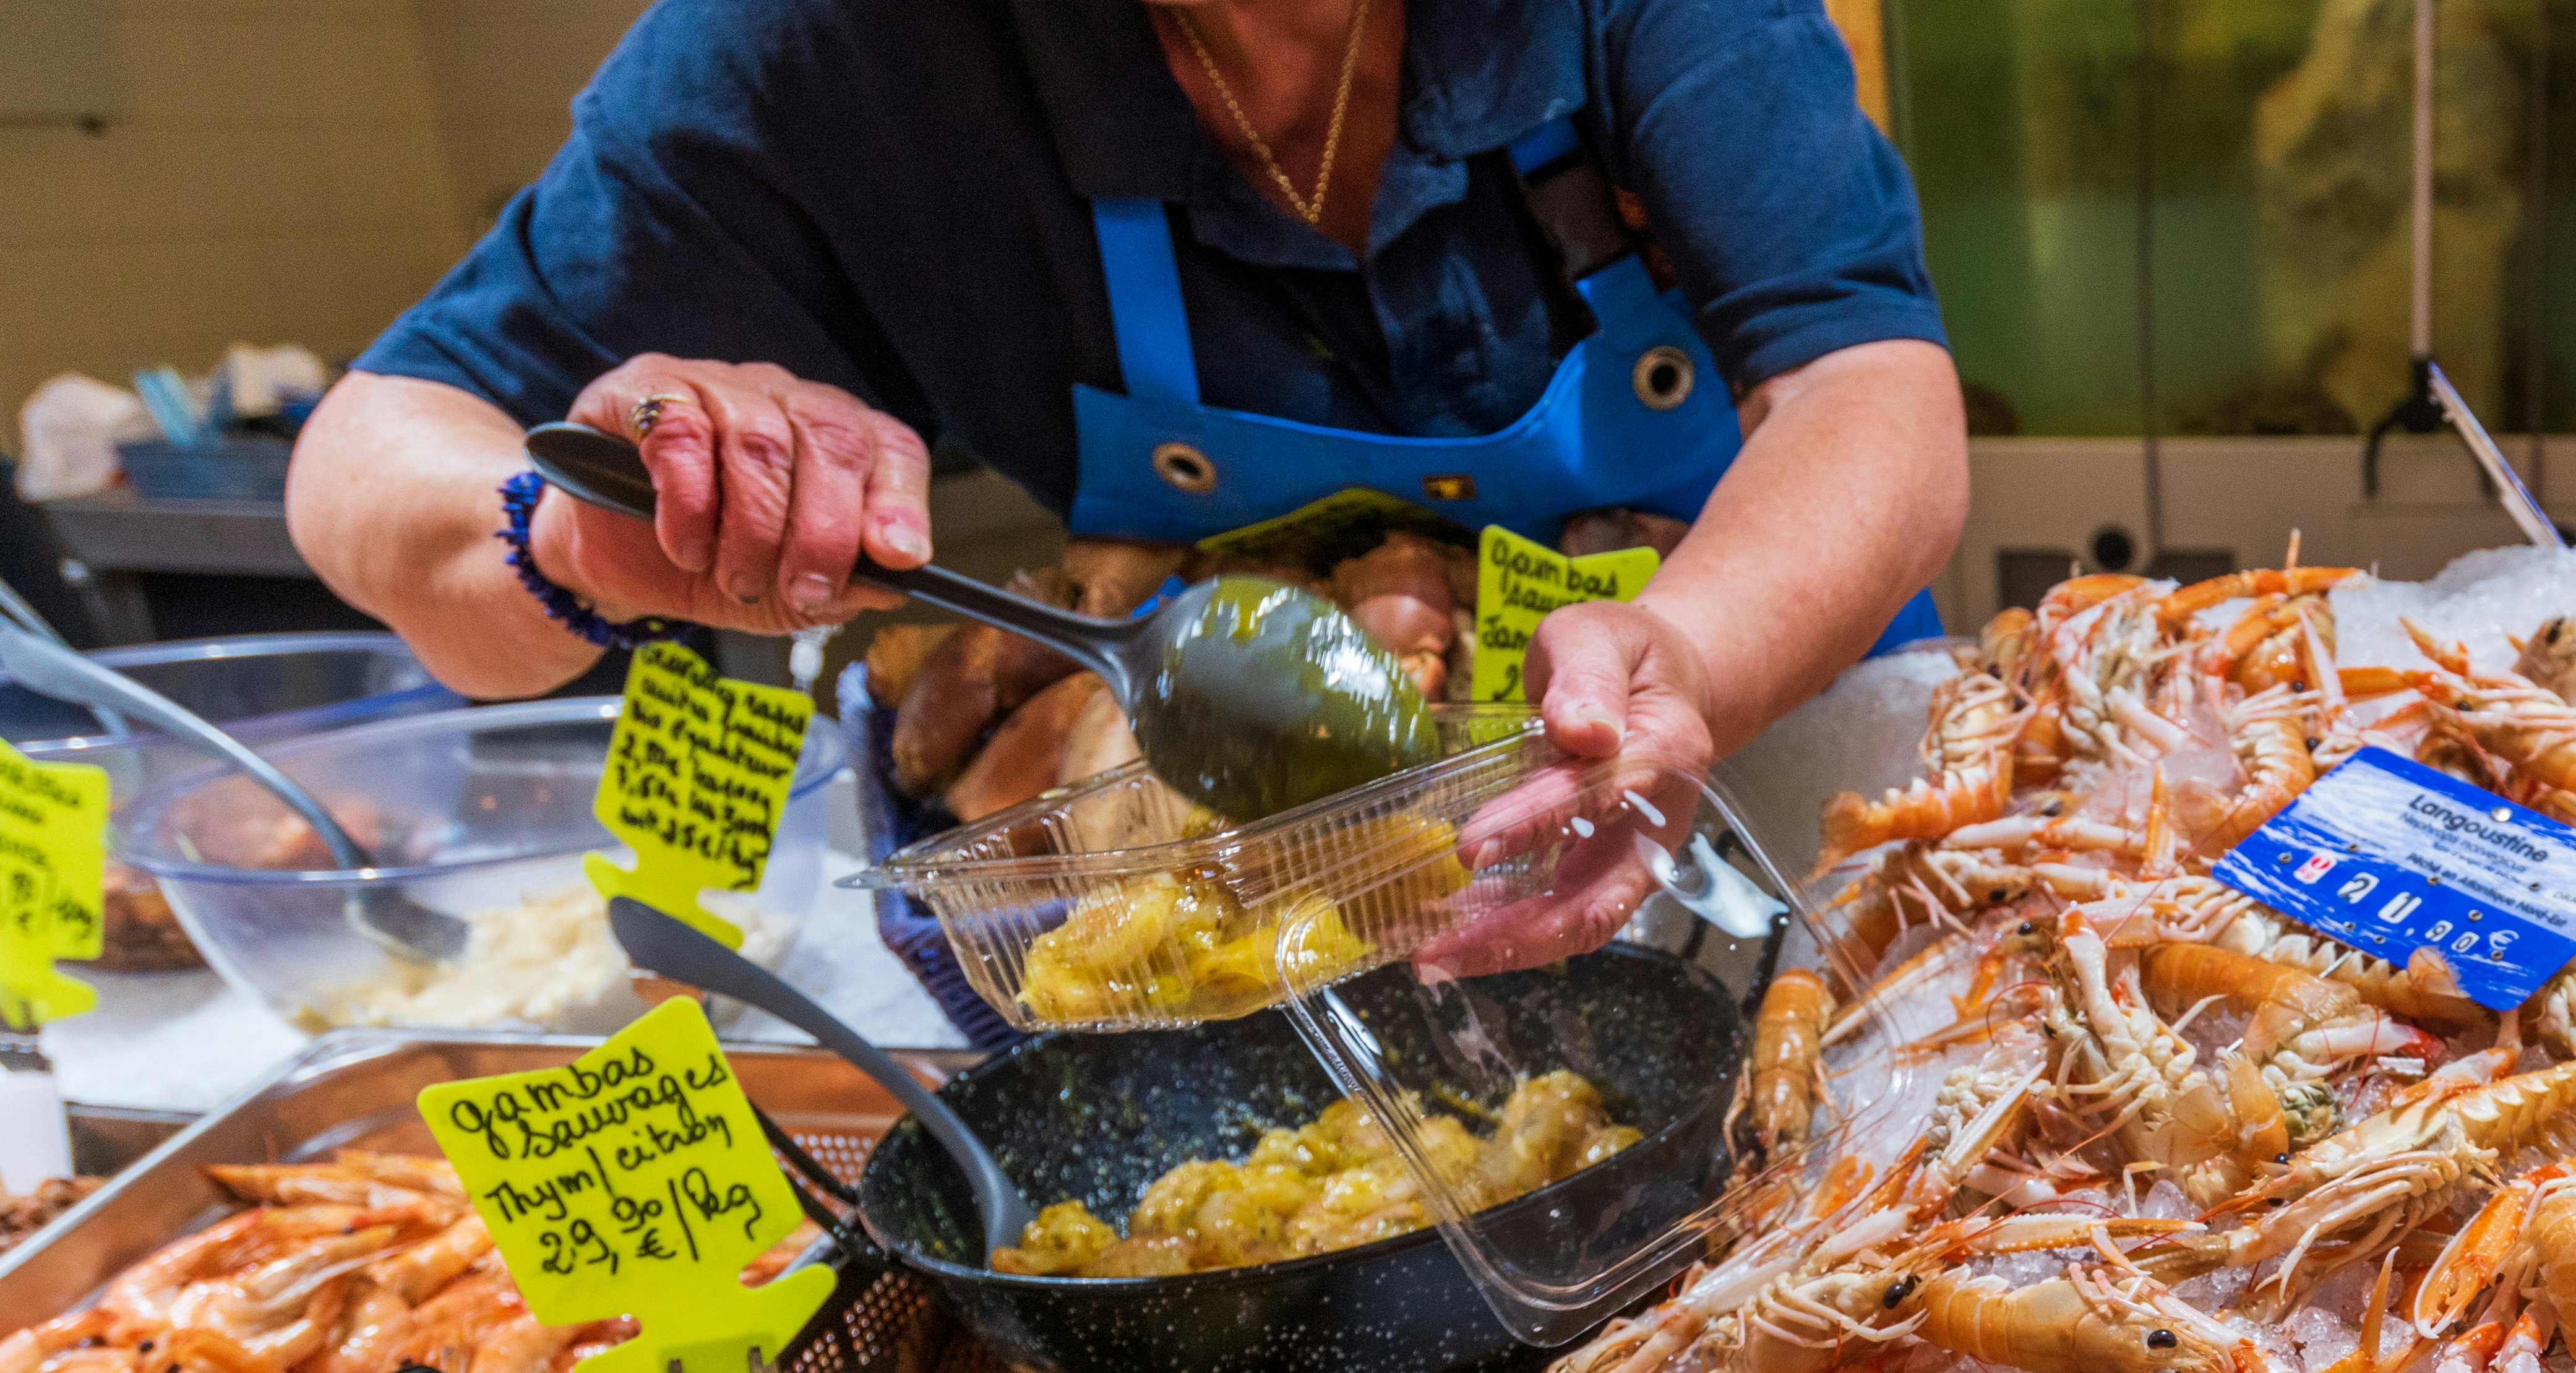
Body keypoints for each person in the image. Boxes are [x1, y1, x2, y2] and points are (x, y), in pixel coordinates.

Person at [287, 0, 1965, 799]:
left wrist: (1688, 663)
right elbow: (366, 459)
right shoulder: (825, 53)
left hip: (1798, 799)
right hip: (1278, 939)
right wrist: (558, 533)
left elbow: (1869, 389)